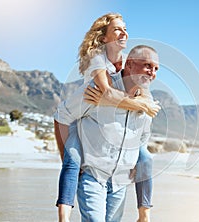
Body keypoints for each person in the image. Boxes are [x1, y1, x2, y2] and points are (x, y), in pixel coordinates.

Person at [54, 13, 160, 222]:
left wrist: (143, 101)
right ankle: (63, 216)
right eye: (117, 29)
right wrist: (66, 156)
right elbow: (106, 94)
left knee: (145, 156)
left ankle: (145, 214)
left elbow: (139, 141)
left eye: (155, 69)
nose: (152, 73)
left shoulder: (143, 95)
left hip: (119, 180)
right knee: (72, 160)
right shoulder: (96, 71)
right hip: (93, 172)